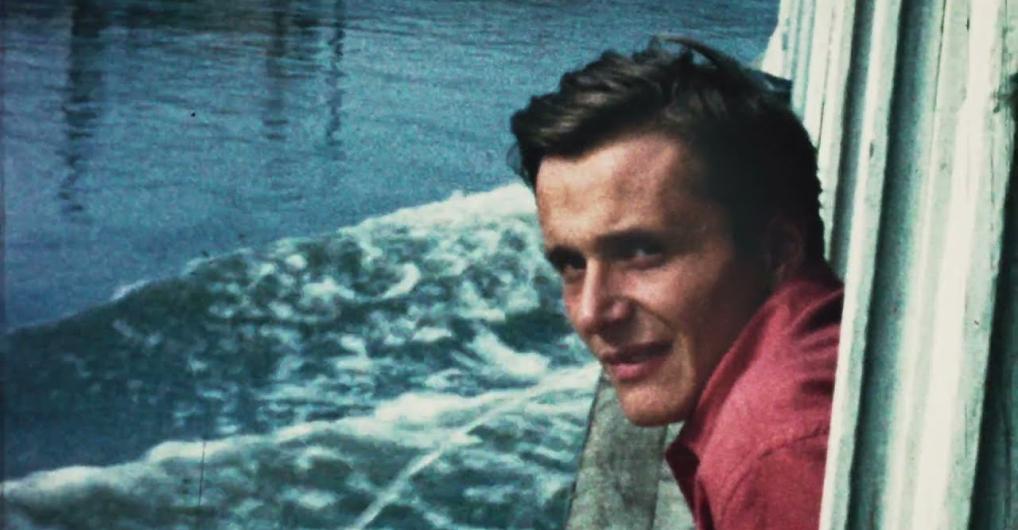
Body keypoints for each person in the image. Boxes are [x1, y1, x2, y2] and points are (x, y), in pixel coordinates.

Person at [508, 37, 843, 530]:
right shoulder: (819, 360)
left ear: (776, 252)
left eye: (641, 252)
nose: (592, 313)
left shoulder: (778, 452)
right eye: (572, 264)